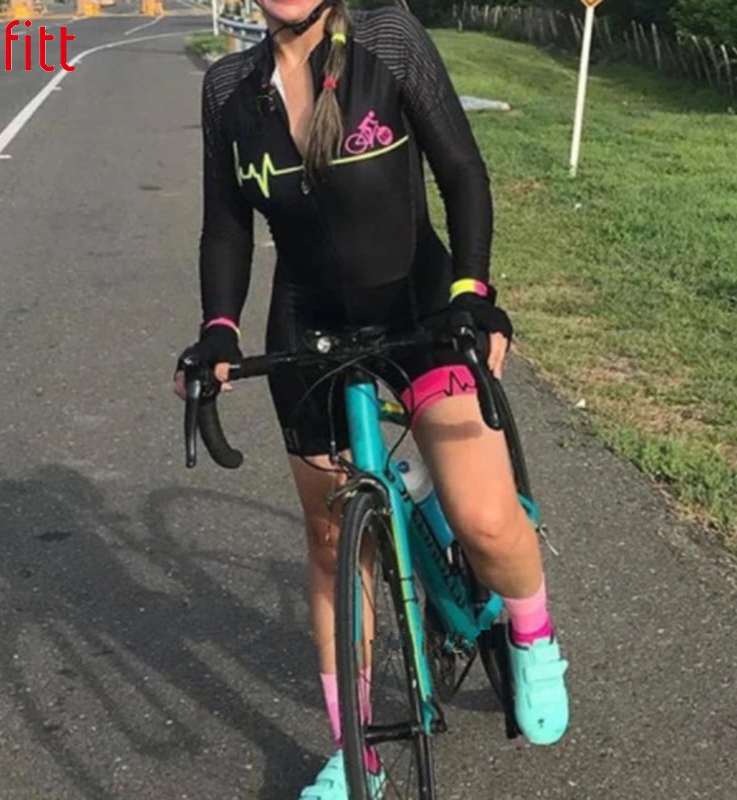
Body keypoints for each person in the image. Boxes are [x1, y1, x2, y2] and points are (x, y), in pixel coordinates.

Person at [174, 0, 570, 795]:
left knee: (487, 523)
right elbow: (226, 226)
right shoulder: (227, 89)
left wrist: (471, 290)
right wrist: (218, 328)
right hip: (308, 323)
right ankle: (356, 749)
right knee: (330, 543)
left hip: (419, 306)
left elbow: (461, 170)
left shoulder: (387, 38)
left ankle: (531, 632)